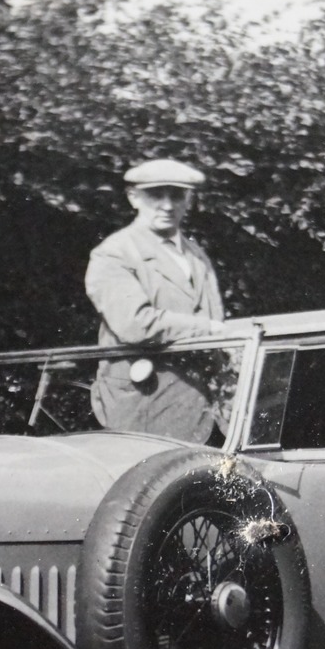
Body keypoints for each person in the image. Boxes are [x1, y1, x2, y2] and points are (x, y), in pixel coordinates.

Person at [85, 158, 226, 442]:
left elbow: (216, 320)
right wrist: (208, 328)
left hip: (204, 409)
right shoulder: (114, 253)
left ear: (189, 200)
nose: (167, 205)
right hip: (145, 407)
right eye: (155, 195)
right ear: (133, 198)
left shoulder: (196, 255)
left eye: (177, 195)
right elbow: (135, 324)